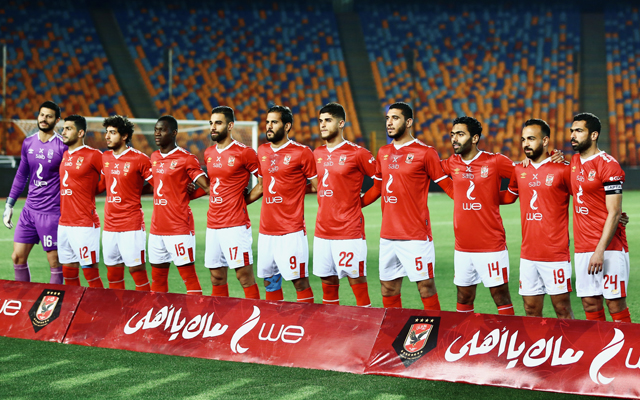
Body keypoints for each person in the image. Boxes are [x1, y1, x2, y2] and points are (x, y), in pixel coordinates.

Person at [361, 102, 453, 309]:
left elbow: (447, 185)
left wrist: (474, 202)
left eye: (395, 118)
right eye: (387, 118)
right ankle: (393, 326)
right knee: (388, 288)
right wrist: (355, 205)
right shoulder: (383, 152)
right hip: (388, 235)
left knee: (426, 287)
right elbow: (377, 188)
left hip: (415, 235)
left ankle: (434, 326)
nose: (389, 122)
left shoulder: (425, 152)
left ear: (409, 122)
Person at [440, 116, 515, 315]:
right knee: (463, 296)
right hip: (462, 247)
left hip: (491, 245)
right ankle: (464, 333)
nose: (454, 139)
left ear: (474, 138)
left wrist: (502, 197)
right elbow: (429, 169)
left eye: (460, 134)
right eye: (453, 134)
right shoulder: (452, 162)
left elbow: (524, 176)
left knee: (500, 296)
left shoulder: (495, 161)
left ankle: (509, 334)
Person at [502, 119, 574, 318]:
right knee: (530, 310)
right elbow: (508, 197)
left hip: (555, 254)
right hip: (528, 254)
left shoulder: (562, 169)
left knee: (562, 309)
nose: (526, 144)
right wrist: (476, 196)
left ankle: (569, 341)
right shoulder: (520, 169)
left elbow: (585, 196)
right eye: (523, 139)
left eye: (531, 139)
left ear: (545, 141)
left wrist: (613, 212)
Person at [568, 112, 631, 322]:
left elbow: (614, 212)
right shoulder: (573, 162)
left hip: (609, 247)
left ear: (593, 135)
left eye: (579, 131)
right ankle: (599, 343)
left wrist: (599, 251)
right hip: (583, 247)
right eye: (572, 131)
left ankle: (626, 344)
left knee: (615, 303)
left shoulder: (608, 164)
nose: (573, 135)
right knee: (590, 303)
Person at [312, 102, 374, 307]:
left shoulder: (357, 153)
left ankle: (366, 321)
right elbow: (318, 186)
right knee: (328, 282)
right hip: (322, 230)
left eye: (328, 120)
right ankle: (329, 324)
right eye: (320, 121)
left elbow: (382, 182)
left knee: (356, 281)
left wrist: (360, 203)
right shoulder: (317, 154)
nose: (322, 125)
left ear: (341, 123)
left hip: (348, 230)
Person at [256, 105, 318, 303]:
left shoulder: (302, 152)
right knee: (269, 281)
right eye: (267, 122)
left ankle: (308, 322)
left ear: (287, 126)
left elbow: (318, 186)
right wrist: (238, 202)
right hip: (266, 231)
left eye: (274, 122)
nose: (269, 126)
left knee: (299, 282)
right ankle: (275, 320)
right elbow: (261, 186)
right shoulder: (262, 150)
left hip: (291, 230)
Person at [4, 101, 66, 284]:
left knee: (55, 262)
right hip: (29, 211)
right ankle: (23, 298)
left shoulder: (62, 147)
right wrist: (9, 205)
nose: (44, 119)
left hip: (51, 213)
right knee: (17, 257)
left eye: (49, 116)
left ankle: (55, 301)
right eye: (42, 115)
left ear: (57, 120)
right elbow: (21, 175)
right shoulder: (28, 142)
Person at [203, 106, 261, 299]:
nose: (213, 127)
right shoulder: (209, 153)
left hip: (235, 225)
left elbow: (264, 183)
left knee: (244, 277)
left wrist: (243, 201)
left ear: (230, 126)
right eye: (211, 123)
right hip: (213, 224)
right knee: (216, 277)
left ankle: (256, 313)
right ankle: (220, 314)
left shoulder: (244, 152)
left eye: (218, 123)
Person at [149, 115, 209, 295]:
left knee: (189, 279)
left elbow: (207, 187)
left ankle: (196, 313)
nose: (157, 133)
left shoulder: (186, 158)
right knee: (157, 280)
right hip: (156, 229)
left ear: (174, 133)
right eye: (156, 130)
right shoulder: (154, 156)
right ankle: (159, 313)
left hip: (178, 228)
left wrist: (187, 197)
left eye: (162, 130)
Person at [101, 115, 152, 291]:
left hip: (131, 225)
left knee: (136, 270)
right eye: (106, 132)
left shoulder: (139, 159)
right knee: (113, 273)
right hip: (109, 226)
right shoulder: (105, 157)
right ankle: (118, 307)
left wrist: (137, 192)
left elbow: (157, 184)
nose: (107, 136)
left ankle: (146, 307)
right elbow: (102, 184)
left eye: (112, 132)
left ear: (124, 136)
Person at [58, 115, 104, 287]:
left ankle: (102, 304)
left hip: (84, 223)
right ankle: (74, 305)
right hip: (64, 223)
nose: (63, 132)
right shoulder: (65, 154)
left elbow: (109, 177)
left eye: (68, 129)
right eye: (63, 128)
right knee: (68, 274)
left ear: (80, 133)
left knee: (90, 273)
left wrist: (92, 191)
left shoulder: (93, 155)